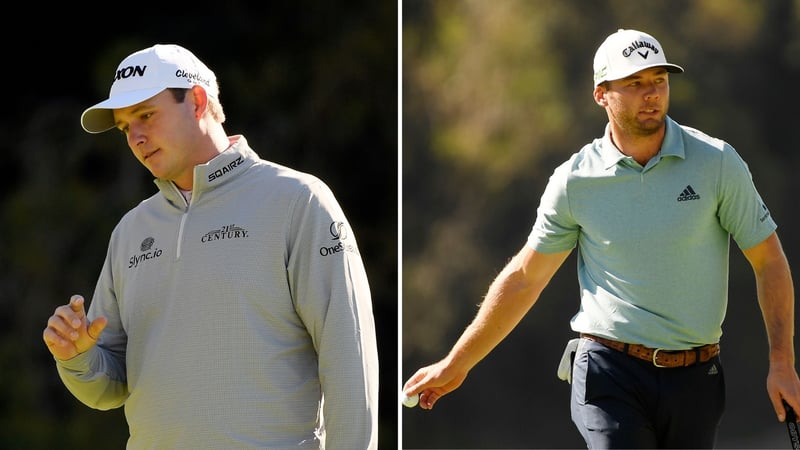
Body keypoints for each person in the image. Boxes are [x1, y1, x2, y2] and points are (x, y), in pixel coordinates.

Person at [402, 28, 800, 448]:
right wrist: (458, 362)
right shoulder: (575, 180)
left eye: (658, 81)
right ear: (601, 94)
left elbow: (768, 261)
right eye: (634, 84)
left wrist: (782, 362)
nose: (651, 93)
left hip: (696, 376)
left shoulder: (717, 164)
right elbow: (524, 278)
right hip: (609, 370)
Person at [42, 44, 379, 449]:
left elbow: (350, 360)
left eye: (146, 115)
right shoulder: (130, 231)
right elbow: (109, 387)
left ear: (198, 101)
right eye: (124, 127)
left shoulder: (298, 201)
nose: (136, 137)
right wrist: (77, 357)